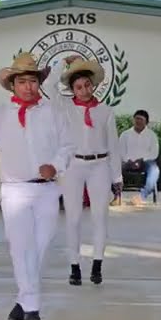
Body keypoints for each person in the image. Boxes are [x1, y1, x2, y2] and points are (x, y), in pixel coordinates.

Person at [0, 52, 73, 320]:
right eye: (22, 82)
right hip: (15, 190)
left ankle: (23, 298)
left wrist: (55, 166)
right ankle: (32, 308)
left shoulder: (53, 111)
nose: (28, 86)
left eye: (32, 81)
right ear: (12, 85)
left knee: (40, 248)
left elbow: (68, 145)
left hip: (47, 190)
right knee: (21, 249)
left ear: (39, 82)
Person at [57, 57, 122, 286]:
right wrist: (62, 64)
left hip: (99, 165)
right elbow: (48, 87)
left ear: (93, 85)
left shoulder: (105, 111)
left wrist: (117, 176)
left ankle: (97, 264)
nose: (84, 90)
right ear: (72, 89)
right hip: (73, 165)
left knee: (99, 216)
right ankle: (74, 266)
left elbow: (114, 145)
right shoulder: (65, 108)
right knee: (73, 217)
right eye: (78, 87)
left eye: (87, 85)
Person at [119, 109, 160, 204]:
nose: (138, 121)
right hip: (127, 162)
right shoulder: (125, 134)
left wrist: (141, 160)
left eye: (141, 119)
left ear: (146, 122)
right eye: (136, 119)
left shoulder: (151, 135)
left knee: (155, 170)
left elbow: (154, 153)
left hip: (145, 163)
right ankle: (116, 195)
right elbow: (120, 151)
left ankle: (142, 196)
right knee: (113, 168)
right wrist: (129, 160)